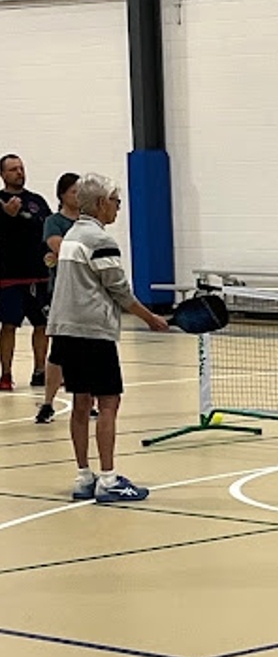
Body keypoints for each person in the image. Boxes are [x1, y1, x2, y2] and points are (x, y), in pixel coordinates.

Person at [46, 173, 169, 502]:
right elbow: (120, 292)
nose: (118, 208)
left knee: (80, 403)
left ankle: (84, 477)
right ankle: (109, 479)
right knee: (109, 402)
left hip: (65, 330)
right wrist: (151, 319)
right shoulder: (101, 241)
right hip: (92, 332)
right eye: (115, 201)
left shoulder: (72, 234)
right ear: (101, 203)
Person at [0, 154, 52, 392]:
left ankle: (40, 371)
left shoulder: (36, 201)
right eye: (13, 169)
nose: (19, 172)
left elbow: (47, 226)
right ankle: (6, 374)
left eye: (21, 168)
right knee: (9, 325)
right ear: (3, 175)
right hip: (9, 276)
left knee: (42, 324)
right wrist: (7, 217)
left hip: (38, 274)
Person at [34, 172, 81, 424]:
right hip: (62, 292)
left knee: (86, 348)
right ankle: (47, 403)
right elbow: (61, 250)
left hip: (86, 294)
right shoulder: (54, 222)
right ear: (62, 194)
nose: (78, 196)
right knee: (59, 350)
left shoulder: (90, 222)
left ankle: (86, 400)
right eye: (74, 191)